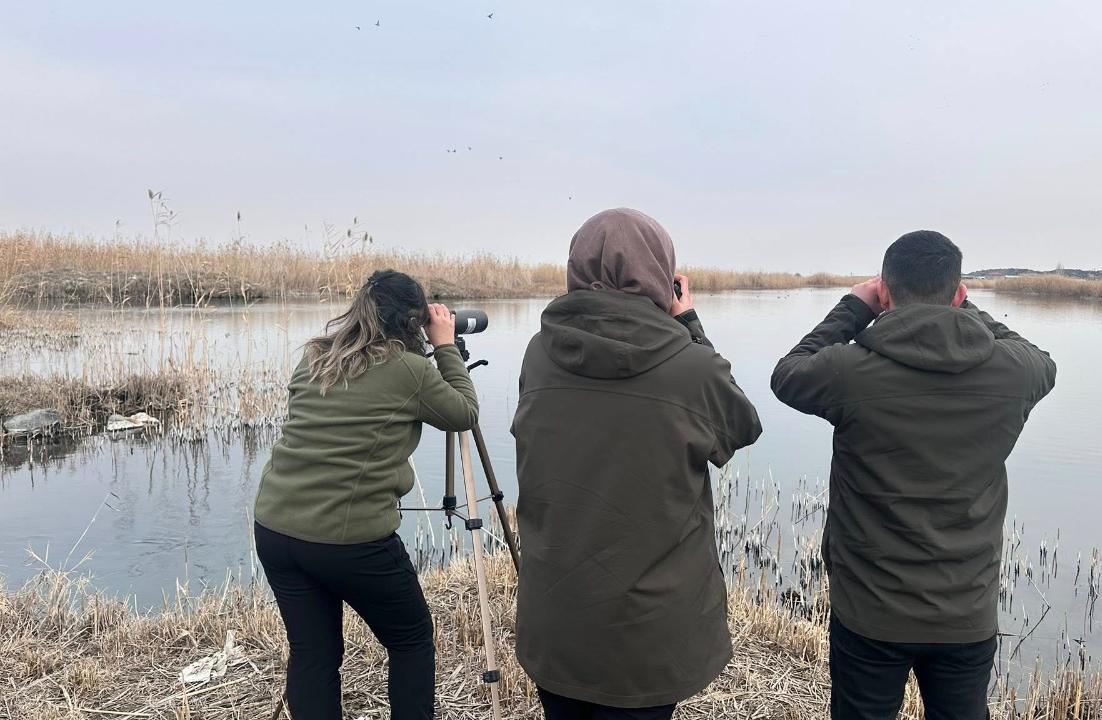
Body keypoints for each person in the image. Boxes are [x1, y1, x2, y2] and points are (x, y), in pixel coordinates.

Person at [771, 231, 1057, 720]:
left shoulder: (851, 371)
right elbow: (1039, 359)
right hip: (965, 610)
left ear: (885, 292)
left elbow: (788, 374)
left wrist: (852, 309)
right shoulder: (1013, 373)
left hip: (870, 609)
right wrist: (964, 310)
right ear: (958, 292)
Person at [512, 208, 763, 720]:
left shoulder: (539, 354)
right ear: (660, 276)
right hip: (647, 635)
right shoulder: (689, 366)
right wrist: (688, 322)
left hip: (558, 619)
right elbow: (740, 426)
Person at [253, 269, 479, 720]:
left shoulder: (316, 356)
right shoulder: (410, 370)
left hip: (276, 528)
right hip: (350, 540)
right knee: (411, 639)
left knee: (314, 654)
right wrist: (446, 347)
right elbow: (464, 412)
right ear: (414, 320)